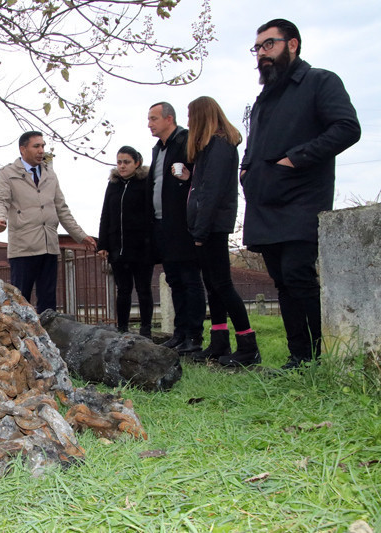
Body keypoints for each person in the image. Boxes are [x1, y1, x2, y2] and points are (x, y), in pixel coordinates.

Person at [241, 19, 360, 369]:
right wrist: (246, 170)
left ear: (292, 44)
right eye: (258, 47)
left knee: (298, 275)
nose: (262, 53)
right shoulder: (264, 99)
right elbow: (254, 143)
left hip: (302, 198)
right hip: (264, 201)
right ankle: (299, 356)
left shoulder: (320, 81)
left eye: (269, 44)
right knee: (281, 281)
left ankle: (317, 355)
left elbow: (347, 128)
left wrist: (295, 160)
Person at [184, 96, 259, 366]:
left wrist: (201, 232)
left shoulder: (219, 146)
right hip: (206, 226)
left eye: (192, 116)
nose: (189, 121)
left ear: (203, 116)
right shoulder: (210, 148)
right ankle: (219, 343)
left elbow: (212, 193)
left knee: (223, 286)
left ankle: (248, 345)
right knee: (213, 287)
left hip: (212, 227)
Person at [0, 131, 96, 313]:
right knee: (19, 300)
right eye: (36, 146)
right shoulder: (7, 173)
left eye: (43, 146)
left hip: (49, 246)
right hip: (23, 248)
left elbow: (62, 209)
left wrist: (80, 236)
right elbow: (1, 200)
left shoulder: (50, 174)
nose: (41, 150)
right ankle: (20, 339)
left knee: (48, 302)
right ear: (23, 149)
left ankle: (47, 338)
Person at [147, 102, 206, 354]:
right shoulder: (156, 150)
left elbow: (200, 176)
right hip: (162, 224)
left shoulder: (186, 141)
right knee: (174, 280)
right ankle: (179, 333)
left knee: (190, 280)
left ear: (169, 118)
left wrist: (188, 176)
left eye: (153, 118)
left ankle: (194, 335)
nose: (149, 123)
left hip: (183, 223)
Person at [97, 146, 154, 337]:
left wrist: (150, 241)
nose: (122, 166)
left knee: (143, 288)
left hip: (141, 246)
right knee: (123, 290)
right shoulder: (113, 184)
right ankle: (122, 328)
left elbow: (151, 214)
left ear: (137, 163)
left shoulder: (146, 183)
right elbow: (106, 214)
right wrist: (103, 244)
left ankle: (146, 329)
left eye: (126, 162)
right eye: (119, 162)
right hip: (118, 246)